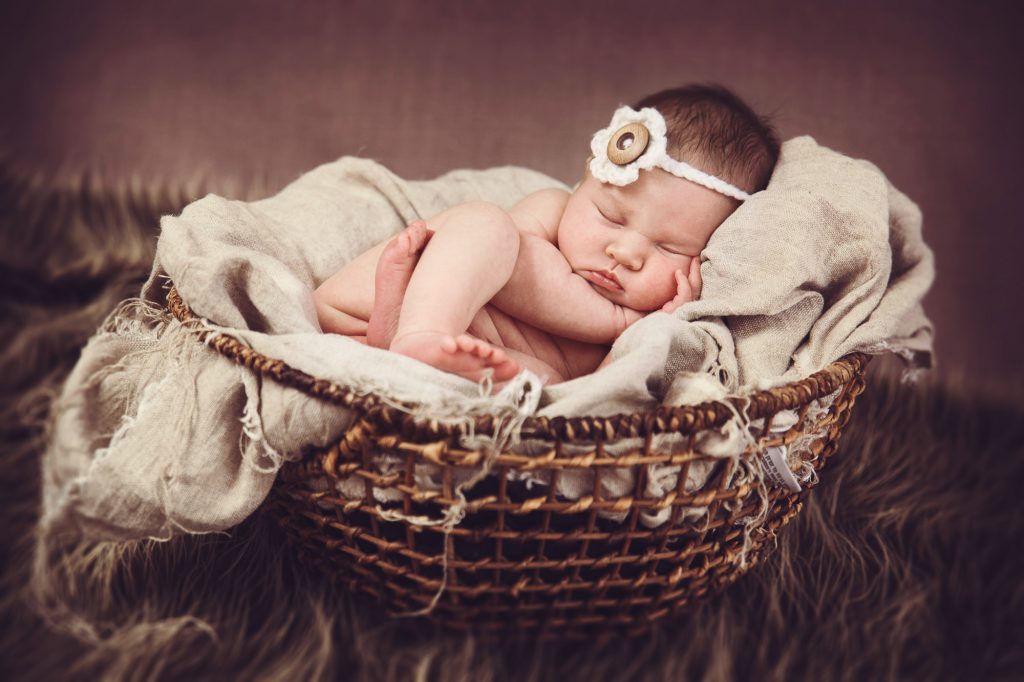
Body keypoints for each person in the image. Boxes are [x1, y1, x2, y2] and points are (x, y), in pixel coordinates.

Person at [313, 84, 780, 384]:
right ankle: (417, 331)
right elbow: (509, 271)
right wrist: (615, 321)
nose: (626, 252)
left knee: (547, 384)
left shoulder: (652, 323)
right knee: (486, 225)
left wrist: (653, 333)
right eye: (611, 217)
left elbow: (600, 397)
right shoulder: (551, 212)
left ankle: (399, 348)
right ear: (585, 182)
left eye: (669, 247)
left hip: (411, 363)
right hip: (360, 309)